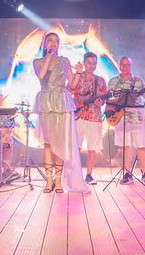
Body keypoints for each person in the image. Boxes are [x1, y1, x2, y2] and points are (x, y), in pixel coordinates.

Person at [33, 32, 90, 193]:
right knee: (48, 142)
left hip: (62, 101)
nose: (53, 43)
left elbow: (72, 85)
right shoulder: (37, 62)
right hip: (46, 102)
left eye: (56, 41)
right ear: (44, 44)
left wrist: (78, 72)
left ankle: (58, 181)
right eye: (50, 40)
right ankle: (48, 180)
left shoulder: (65, 61)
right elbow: (41, 76)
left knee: (60, 142)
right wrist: (49, 57)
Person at [107, 56, 145, 185]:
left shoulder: (138, 81)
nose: (125, 67)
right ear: (119, 66)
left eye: (127, 65)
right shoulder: (112, 82)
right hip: (120, 117)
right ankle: (127, 173)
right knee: (125, 147)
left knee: (141, 146)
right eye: (122, 65)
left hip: (136, 118)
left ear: (131, 66)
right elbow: (108, 100)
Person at [69, 52, 108, 183]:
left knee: (92, 148)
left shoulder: (100, 80)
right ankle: (75, 173)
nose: (92, 66)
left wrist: (100, 102)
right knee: (76, 146)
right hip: (78, 116)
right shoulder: (77, 76)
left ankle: (89, 174)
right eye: (89, 63)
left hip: (94, 117)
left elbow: (103, 99)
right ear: (84, 63)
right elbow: (68, 91)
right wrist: (75, 103)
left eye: (94, 63)